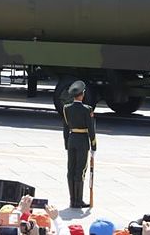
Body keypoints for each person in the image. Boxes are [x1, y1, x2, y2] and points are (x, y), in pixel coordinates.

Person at [61, 80, 96, 209]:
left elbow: (65, 128)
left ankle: (72, 200)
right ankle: (78, 200)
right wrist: (93, 145)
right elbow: (91, 129)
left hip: (71, 139)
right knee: (80, 170)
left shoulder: (66, 108)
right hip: (82, 141)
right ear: (82, 95)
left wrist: (66, 143)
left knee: (71, 169)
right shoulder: (87, 109)